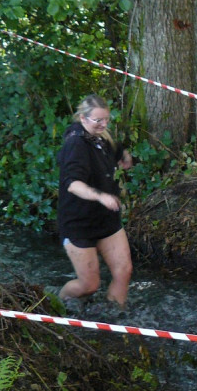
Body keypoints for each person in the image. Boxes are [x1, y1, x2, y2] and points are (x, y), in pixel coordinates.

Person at [56, 94, 134, 309]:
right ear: (83, 118)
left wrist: (123, 154)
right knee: (89, 285)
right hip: (79, 222)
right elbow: (72, 184)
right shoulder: (75, 145)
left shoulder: (101, 138)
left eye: (106, 119)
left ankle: (115, 320)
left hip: (106, 219)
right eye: (98, 120)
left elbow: (113, 150)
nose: (103, 124)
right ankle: (54, 303)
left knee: (123, 271)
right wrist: (101, 196)